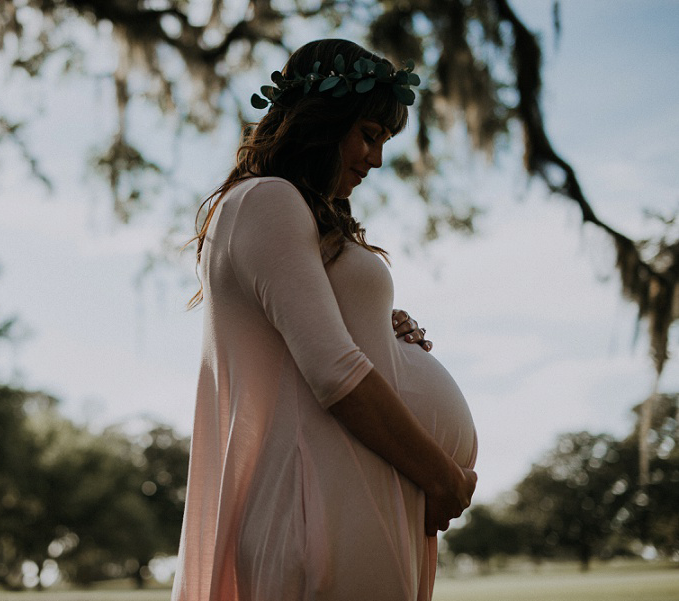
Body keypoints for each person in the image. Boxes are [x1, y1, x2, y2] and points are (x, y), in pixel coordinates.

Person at [173, 39, 478, 601]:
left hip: (355, 494)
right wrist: (440, 476)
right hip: (318, 509)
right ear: (323, 120)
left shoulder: (291, 213)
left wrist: (384, 329)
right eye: (368, 134)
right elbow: (333, 370)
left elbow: (318, 341)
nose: (377, 159)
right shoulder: (267, 200)